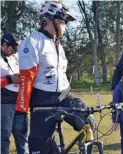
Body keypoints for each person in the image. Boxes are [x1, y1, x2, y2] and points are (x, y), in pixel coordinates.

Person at [15, 1, 93, 153]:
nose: (65, 26)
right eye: (64, 22)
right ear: (55, 21)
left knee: (86, 118)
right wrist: (21, 113)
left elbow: (61, 79)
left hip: (63, 96)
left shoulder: (58, 45)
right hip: (42, 101)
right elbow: (26, 81)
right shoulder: (32, 42)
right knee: (40, 147)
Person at [1, 33, 28, 154]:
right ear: (4, 44)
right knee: (3, 137)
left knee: (22, 136)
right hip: (4, 102)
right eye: (12, 48)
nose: (14, 52)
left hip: (20, 101)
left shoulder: (16, 56)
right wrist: (9, 79)